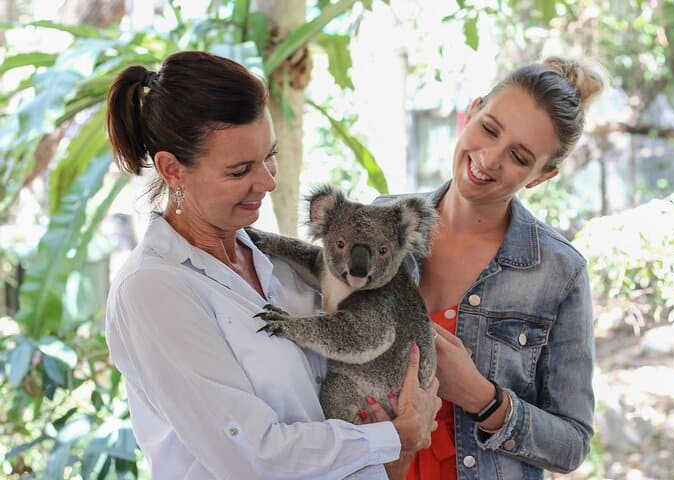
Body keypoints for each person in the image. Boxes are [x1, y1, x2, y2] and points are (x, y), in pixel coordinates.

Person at [103, 50, 441, 480]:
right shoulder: (153, 291)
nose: (268, 181)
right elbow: (254, 458)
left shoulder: (278, 264)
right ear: (172, 169)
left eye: (269, 155)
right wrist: (397, 435)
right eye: (240, 169)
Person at [378, 57, 604, 479]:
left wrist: (485, 399)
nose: (489, 159)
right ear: (472, 110)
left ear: (542, 176)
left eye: (519, 157)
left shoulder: (559, 271)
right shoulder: (381, 222)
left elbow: (572, 444)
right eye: (489, 129)